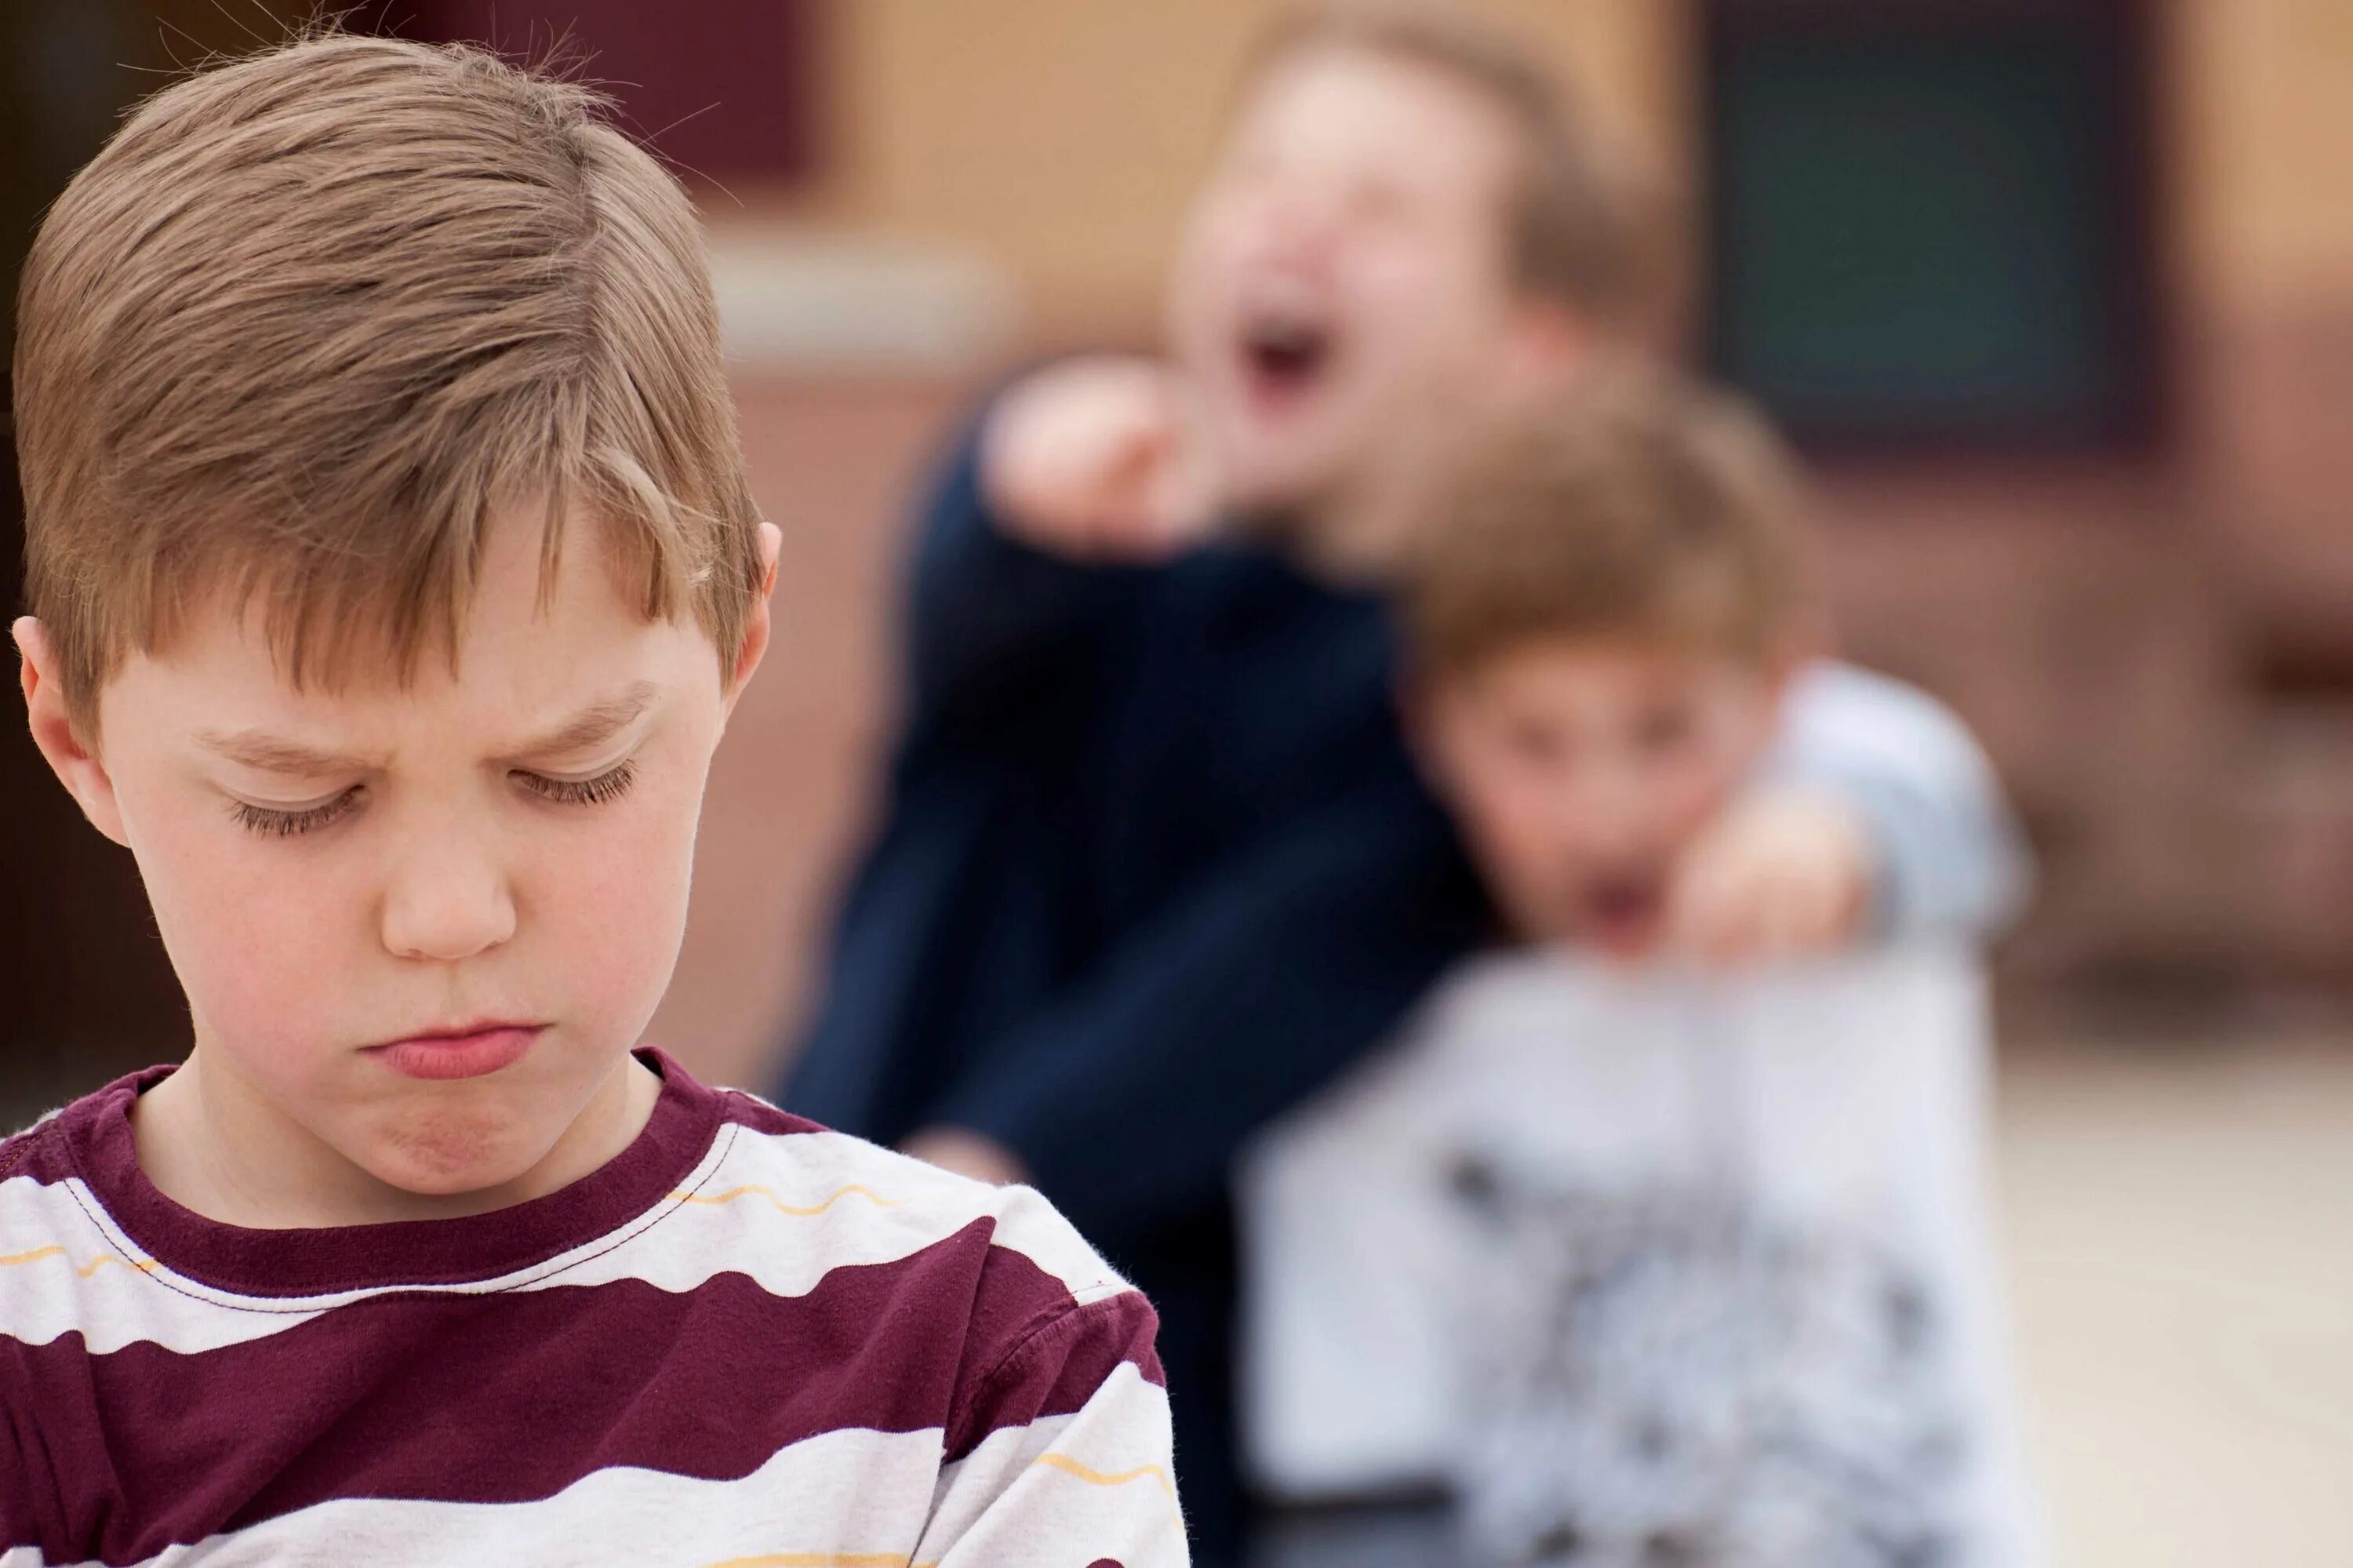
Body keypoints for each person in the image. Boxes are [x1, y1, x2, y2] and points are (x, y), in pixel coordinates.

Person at [784, 6, 2024, 1557]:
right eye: (1263, 175)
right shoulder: (1098, 567)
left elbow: (1271, 969)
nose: (1294, 220)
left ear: (1535, 347)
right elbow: (952, 663)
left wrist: (1006, 1162)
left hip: (1124, 1400)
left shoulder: (1486, 719)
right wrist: (1002, 476)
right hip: (832, 1263)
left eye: (1381, 208)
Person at [1, 35, 1180, 1566]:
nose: (450, 916)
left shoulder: (983, 1355)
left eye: (570, 771)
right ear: (78, 735)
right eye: (304, 796)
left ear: (736, 639)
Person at [1240, 375, 2038, 1566]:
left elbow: (1946, 812)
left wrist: (1832, 835)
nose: (1601, 812)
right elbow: (1360, 1494)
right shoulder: (1370, 1048)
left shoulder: (1858, 858)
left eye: (1662, 730)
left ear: (1779, 692)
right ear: (1432, 723)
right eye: (1533, 742)